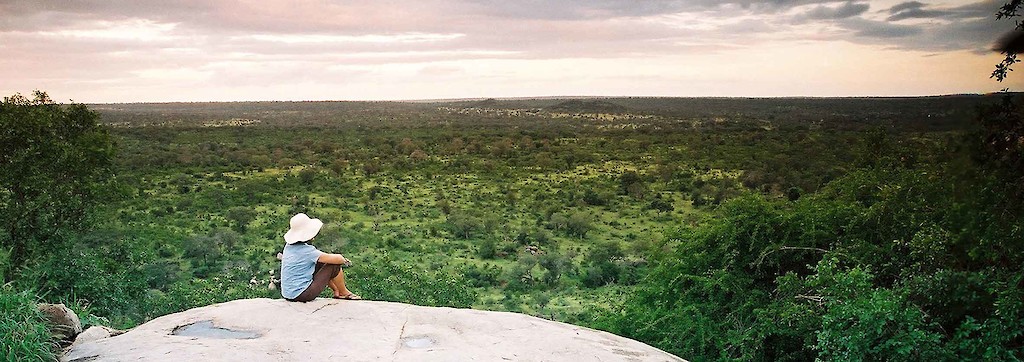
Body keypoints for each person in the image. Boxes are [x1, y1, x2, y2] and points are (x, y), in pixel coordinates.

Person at [279, 213, 361, 302]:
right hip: (303, 294)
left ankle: (336, 291)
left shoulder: (288, 247)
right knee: (333, 265)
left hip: (288, 294)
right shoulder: (308, 251)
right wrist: (343, 259)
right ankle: (343, 292)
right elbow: (338, 259)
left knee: (320, 263)